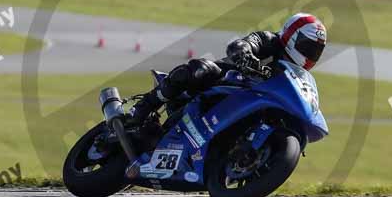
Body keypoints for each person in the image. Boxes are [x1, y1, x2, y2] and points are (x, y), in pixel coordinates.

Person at [129, 13, 327, 124]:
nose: (310, 54)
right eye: (308, 47)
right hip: (226, 83)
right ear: (292, 35)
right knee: (202, 69)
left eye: (316, 51)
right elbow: (246, 43)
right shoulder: (270, 40)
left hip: (251, 107)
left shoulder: (297, 76)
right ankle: (142, 108)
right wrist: (245, 53)